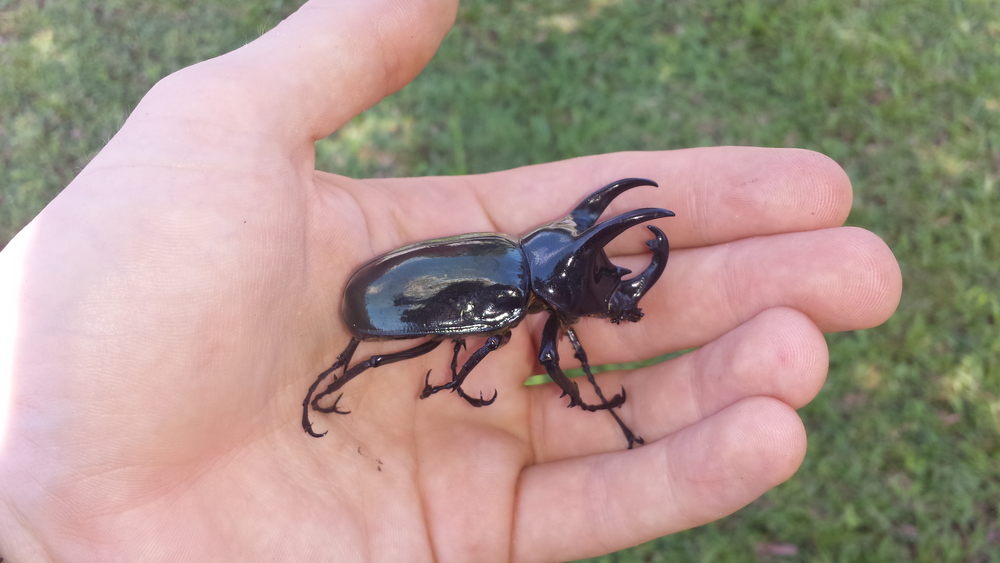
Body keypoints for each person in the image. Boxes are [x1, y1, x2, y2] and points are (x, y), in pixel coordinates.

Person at [0, 1, 902, 561]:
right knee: (430, 343)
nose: (603, 275)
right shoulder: (522, 302)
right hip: (386, 306)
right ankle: (344, 374)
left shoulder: (510, 259)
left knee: (445, 347)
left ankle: (359, 372)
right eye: (593, 270)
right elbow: (545, 353)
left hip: (402, 285)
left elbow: (511, 311)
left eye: (596, 270)